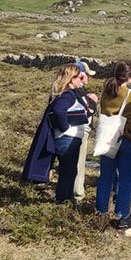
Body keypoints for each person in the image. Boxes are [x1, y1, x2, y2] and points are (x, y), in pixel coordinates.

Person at [96, 60, 131, 229]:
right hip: (128, 138)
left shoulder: (107, 91)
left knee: (105, 177)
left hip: (108, 139)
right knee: (126, 179)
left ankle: (101, 211)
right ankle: (123, 214)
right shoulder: (130, 94)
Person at [46, 64, 88, 203]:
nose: (81, 80)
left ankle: (63, 200)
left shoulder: (60, 93)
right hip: (67, 139)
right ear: (71, 79)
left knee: (66, 172)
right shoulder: (69, 94)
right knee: (68, 173)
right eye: (79, 77)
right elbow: (59, 110)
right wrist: (65, 127)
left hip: (63, 138)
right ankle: (63, 202)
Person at [72, 62, 98, 203]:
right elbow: (87, 110)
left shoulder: (78, 90)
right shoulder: (77, 91)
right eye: (87, 75)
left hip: (78, 131)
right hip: (79, 131)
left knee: (77, 162)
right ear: (81, 75)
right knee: (79, 162)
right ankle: (78, 193)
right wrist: (92, 101)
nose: (89, 78)